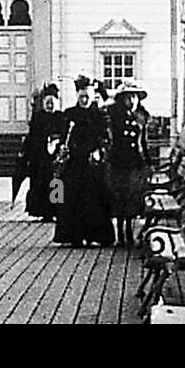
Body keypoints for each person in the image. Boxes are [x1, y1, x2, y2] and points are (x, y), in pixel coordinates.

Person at [52, 75, 115, 248]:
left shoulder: (100, 116)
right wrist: (62, 149)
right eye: (81, 97)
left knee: (94, 200)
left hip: (92, 164)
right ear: (77, 97)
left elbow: (107, 138)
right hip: (74, 163)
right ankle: (74, 236)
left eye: (87, 97)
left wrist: (99, 151)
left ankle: (95, 235)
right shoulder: (70, 114)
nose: (84, 100)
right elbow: (63, 137)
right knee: (72, 199)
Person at [106, 82, 151, 247]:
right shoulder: (115, 116)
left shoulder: (142, 117)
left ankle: (130, 233)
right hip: (119, 162)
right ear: (122, 99)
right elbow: (110, 139)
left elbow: (143, 141)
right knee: (119, 198)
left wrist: (148, 162)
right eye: (128, 97)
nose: (132, 101)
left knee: (133, 198)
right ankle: (120, 234)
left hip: (135, 163)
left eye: (135, 97)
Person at [21, 84, 63, 221]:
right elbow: (33, 136)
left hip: (56, 156)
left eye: (52, 102)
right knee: (41, 183)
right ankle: (43, 211)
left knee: (56, 183)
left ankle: (57, 210)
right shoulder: (38, 117)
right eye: (47, 103)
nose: (50, 105)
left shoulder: (60, 117)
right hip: (41, 157)